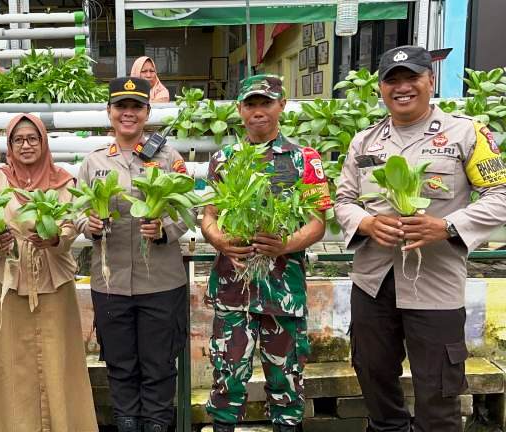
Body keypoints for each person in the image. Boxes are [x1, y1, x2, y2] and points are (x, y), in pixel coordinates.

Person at [335, 45, 506, 432]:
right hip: (373, 281)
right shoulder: (364, 141)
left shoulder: (466, 133)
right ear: (380, 88)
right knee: (372, 375)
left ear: (430, 80)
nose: (402, 87)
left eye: (411, 77)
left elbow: (500, 195)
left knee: (438, 392)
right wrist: (366, 223)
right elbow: (343, 201)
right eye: (392, 80)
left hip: (435, 283)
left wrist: (447, 226)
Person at [201, 74, 331, 432]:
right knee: (227, 378)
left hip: (282, 292)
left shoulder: (305, 159)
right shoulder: (224, 159)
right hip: (233, 290)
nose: (258, 111)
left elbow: (318, 222)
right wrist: (220, 241)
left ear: (282, 105)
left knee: (286, 380)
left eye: (266, 103)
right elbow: (208, 216)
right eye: (251, 104)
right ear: (240, 109)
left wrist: (284, 245)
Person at [74, 77, 189, 432]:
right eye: (120, 106)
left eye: (136, 107)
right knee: (120, 366)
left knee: (159, 366)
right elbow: (76, 212)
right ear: (109, 112)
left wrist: (164, 229)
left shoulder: (169, 158)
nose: (128, 113)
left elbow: (188, 210)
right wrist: (89, 224)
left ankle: (156, 425)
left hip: (161, 282)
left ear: (147, 112)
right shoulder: (93, 162)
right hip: (111, 284)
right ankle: (126, 424)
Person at [0, 113, 98, 431]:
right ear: (9, 146)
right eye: (18, 140)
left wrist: (55, 238)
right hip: (11, 284)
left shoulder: (65, 181)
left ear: (43, 143)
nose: (26, 145)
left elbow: (71, 225)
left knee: (59, 363)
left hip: (54, 283)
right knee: (11, 366)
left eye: (33, 138)